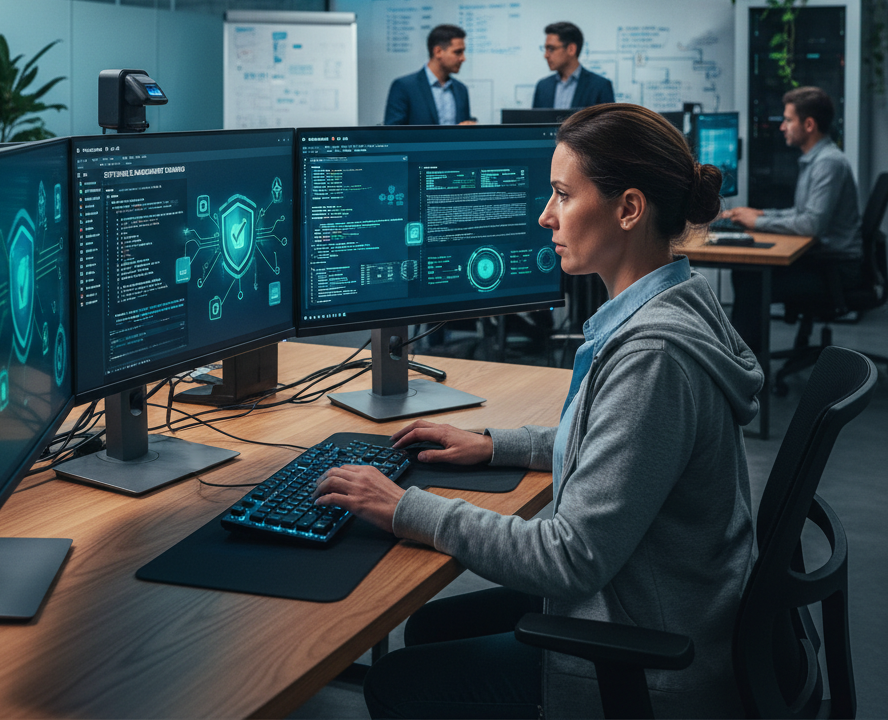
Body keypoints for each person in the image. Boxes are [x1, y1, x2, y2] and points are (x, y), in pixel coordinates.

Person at [315, 103, 763, 720]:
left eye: (560, 194)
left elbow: (569, 558)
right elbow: (619, 441)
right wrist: (498, 444)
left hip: (651, 663)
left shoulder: (653, 356)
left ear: (629, 208)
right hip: (663, 602)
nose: (543, 215)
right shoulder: (677, 305)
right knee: (430, 627)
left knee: (397, 680)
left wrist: (405, 509)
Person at [723, 86, 862, 374]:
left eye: (788, 120)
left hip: (835, 270)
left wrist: (758, 223)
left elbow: (810, 224)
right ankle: (745, 360)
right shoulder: (817, 160)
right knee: (747, 274)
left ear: (808, 124)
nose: (783, 127)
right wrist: (762, 214)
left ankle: (740, 370)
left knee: (751, 280)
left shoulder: (828, 164)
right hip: (824, 260)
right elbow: (803, 214)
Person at [384, 24, 476, 125]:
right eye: (458, 52)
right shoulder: (404, 87)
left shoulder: (461, 89)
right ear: (438, 52)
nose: (463, 58)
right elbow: (393, 134)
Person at [532, 21, 614, 110]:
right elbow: (535, 123)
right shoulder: (543, 86)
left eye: (551, 49)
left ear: (571, 49)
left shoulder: (600, 86)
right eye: (545, 49)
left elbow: (609, 123)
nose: (546, 55)